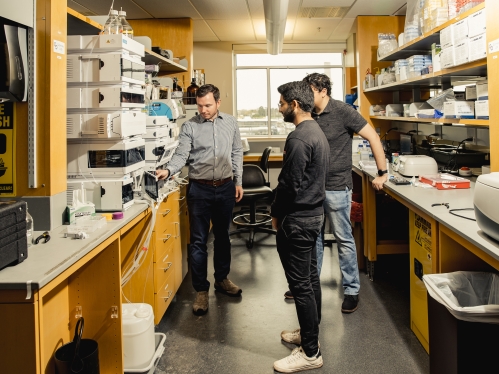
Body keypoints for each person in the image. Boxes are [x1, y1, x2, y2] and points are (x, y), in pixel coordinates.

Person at [283, 73, 387, 314]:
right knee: (314, 239)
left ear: (323, 91)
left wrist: (383, 172)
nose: (306, 95)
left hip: (337, 186)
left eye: (310, 90)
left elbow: (372, 136)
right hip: (312, 187)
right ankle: (309, 285)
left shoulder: (343, 111)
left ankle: (351, 290)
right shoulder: (307, 114)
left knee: (343, 238)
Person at [156, 84, 244, 316]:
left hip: (225, 187)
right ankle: (201, 291)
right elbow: (182, 154)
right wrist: (169, 170)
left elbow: (236, 152)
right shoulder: (190, 126)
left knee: (223, 236)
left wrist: (238, 181)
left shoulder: (231, 122)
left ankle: (222, 280)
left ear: (218, 103)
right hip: (199, 190)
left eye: (208, 105)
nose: (203, 110)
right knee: (198, 241)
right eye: (200, 105)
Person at [271, 81, 329, 373]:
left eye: (281, 103)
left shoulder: (299, 138)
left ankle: (310, 352)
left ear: (294, 104)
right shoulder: (316, 130)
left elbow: (289, 184)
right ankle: (310, 334)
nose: (279, 107)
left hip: (298, 220)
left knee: (301, 286)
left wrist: (276, 214)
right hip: (314, 215)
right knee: (310, 279)